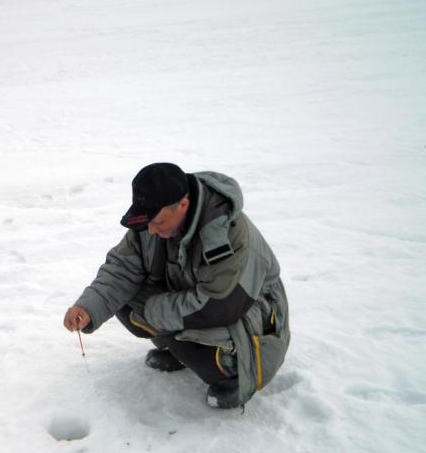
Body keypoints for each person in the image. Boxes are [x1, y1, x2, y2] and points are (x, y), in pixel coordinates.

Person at [63, 163, 290, 409]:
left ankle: (235, 377)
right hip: (197, 298)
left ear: (182, 205)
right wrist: (87, 307)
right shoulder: (153, 220)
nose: (150, 229)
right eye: (148, 221)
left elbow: (219, 306)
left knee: (198, 343)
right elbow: (122, 268)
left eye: (157, 221)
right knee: (124, 299)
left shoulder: (226, 234)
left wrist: (152, 312)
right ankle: (179, 350)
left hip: (251, 315)